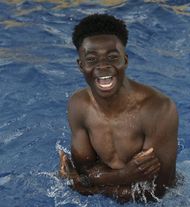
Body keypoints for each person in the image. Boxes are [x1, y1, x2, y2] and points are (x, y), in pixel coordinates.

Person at [59, 13, 178, 203]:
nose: (103, 66)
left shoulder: (158, 109)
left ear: (125, 60)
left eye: (113, 57)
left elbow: (156, 192)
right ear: (81, 65)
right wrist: (122, 176)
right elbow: (84, 171)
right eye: (91, 59)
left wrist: (87, 184)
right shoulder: (78, 105)